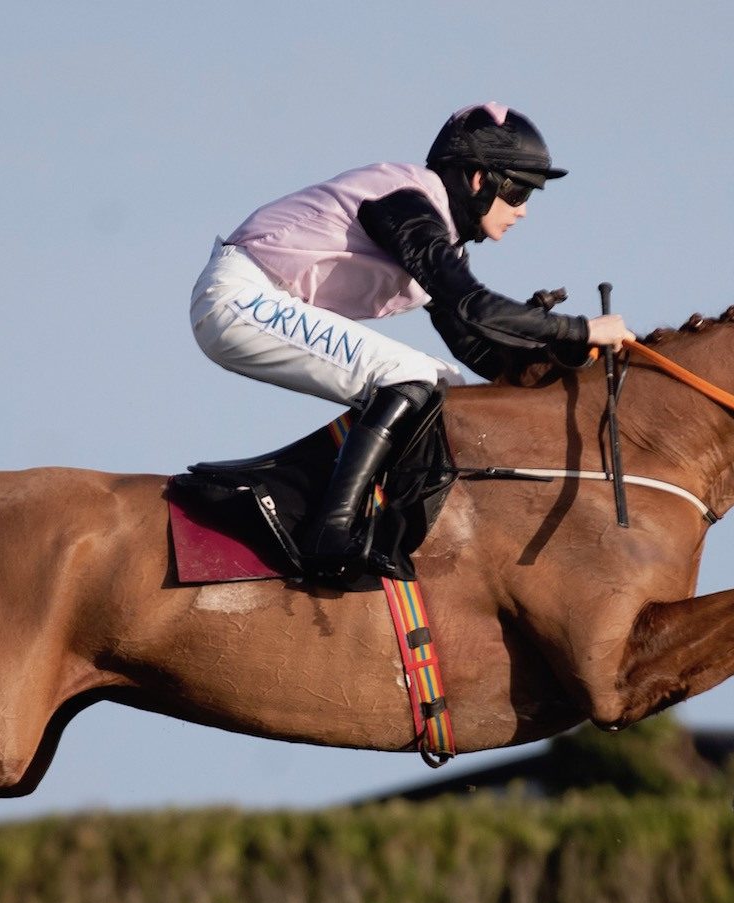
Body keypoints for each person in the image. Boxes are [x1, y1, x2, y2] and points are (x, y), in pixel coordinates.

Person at [189, 102, 632, 581]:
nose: (523, 210)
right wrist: (577, 329)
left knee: (445, 382)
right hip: (239, 298)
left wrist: (559, 361)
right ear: (479, 180)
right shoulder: (406, 201)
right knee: (411, 375)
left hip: (259, 303)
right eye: (519, 189)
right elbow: (474, 305)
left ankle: (364, 520)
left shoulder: (438, 233)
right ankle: (330, 531)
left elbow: (476, 349)